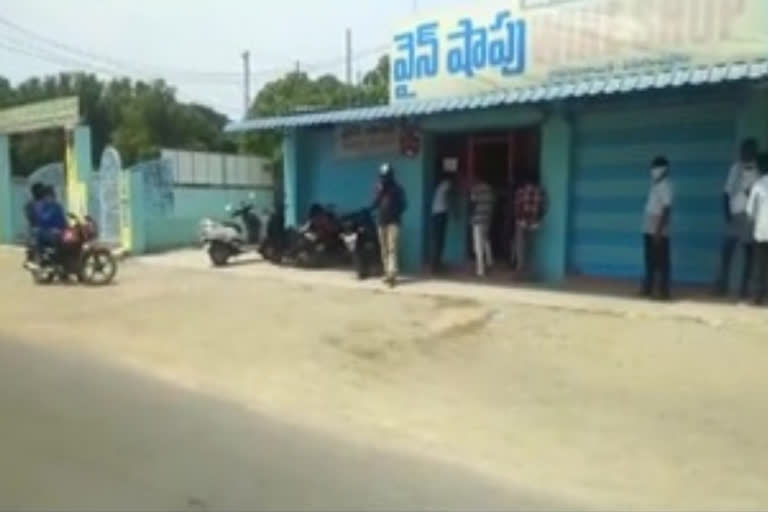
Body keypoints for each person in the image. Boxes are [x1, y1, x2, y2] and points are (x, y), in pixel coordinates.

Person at [715, 138, 760, 298]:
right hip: (734, 216)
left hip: (749, 217)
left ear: (753, 151)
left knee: (749, 255)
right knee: (726, 251)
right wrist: (727, 213)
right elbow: (726, 192)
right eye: (742, 150)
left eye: (746, 150)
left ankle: (744, 290)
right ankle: (721, 287)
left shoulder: (759, 171)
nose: (743, 153)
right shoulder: (735, 169)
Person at [641, 156, 673, 300]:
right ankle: (648, 288)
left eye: (655, 167)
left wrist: (658, 232)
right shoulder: (655, 185)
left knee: (661, 261)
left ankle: (663, 291)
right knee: (650, 260)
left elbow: (666, 209)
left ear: (663, 169)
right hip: (649, 227)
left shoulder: (665, 185)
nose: (652, 170)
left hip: (658, 229)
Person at [371, 163, 406, 287]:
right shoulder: (378, 188)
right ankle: (387, 273)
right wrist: (379, 192)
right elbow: (374, 204)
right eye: (382, 176)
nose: (384, 178)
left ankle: (392, 274)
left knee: (392, 248)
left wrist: (395, 213)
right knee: (384, 249)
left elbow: (403, 205)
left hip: (394, 223)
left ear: (391, 175)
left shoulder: (397, 188)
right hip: (381, 222)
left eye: (386, 176)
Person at [512, 174, 547, 277]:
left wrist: (519, 219)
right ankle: (530, 270)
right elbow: (544, 207)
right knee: (531, 247)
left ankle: (520, 270)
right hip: (534, 223)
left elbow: (517, 206)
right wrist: (538, 220)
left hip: (522, 222)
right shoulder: (541, 191)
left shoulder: (521, 190)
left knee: (520, 246)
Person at [745, 152, 768, 305]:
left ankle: (757, 298)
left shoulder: (758, 186)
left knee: (759, 267)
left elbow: (750, 213)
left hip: (762, 231)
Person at [469, 177, 494, 277]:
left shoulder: (476, 189)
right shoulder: (490, 190)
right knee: (486, 240)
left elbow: (472, 201)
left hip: (478, 219)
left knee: (478, 245)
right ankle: (489, 261)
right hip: (487, 218)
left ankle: (480, 270)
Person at [35, 185, 68, 261]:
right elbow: (42, 220)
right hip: (46, 232)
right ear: (45, 197)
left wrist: (65, 228)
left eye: (51, 195)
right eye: (47, 196)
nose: (50, 198)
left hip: (59, 232)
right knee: (40, 235)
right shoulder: (42, 207)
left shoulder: (57, 206)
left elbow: (63, 220)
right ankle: (41, 257)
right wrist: (51, 229)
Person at [430, 173, 453, 272]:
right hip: (440, 214)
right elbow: (450, 197)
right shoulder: (447, 184)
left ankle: (436, 264)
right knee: (439, 240)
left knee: (437, 240)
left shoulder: (440, 185)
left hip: (436, 214)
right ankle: (436, 266)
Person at [23, 182, 47, 268]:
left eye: (42, 190)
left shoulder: (47, 202)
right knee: (34, 238)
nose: (41, 192)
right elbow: (30, 216)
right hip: (36, 227)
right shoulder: (30, 204)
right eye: (39, 190)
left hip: (48, 227)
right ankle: (30, 259)